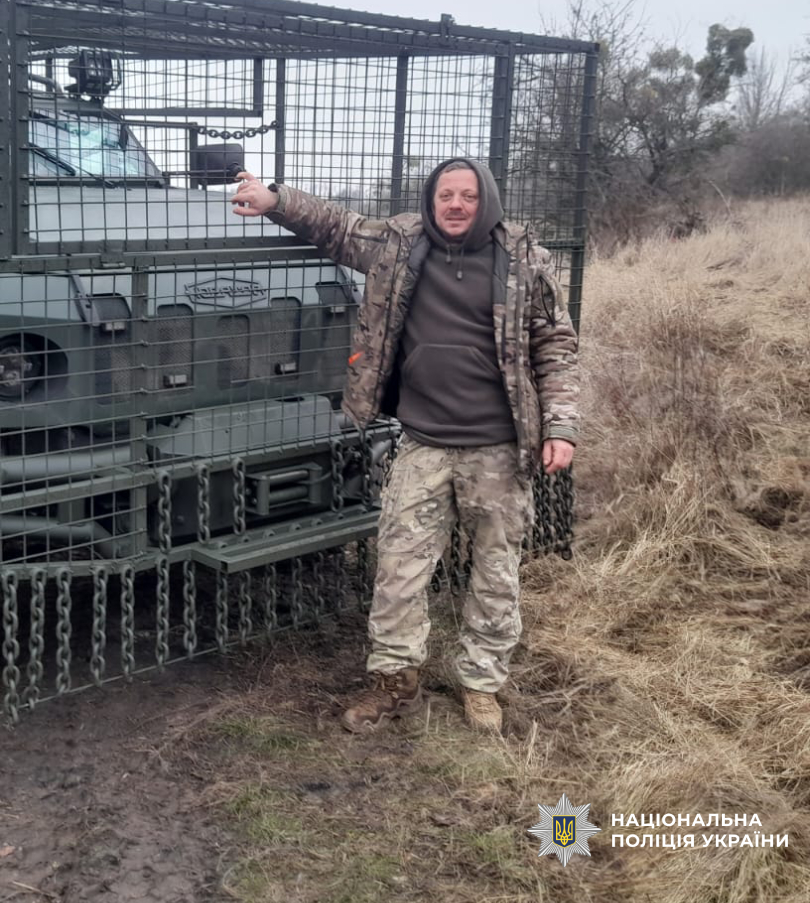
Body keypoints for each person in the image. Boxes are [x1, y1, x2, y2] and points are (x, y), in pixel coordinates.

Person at [230, 159, 579, 735]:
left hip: (498, 449)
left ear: (485, 200)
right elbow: (338, 227)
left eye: (468, 195)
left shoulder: (524, 260)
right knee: (398, 571)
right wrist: (276, 199)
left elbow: (556, 346)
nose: (457, 205)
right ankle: (394, 681)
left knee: (496, 572)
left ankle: (482, 683)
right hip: (422, 445)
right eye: (446, 194)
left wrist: (561, 427)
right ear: (432, 199)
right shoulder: (400, 244)